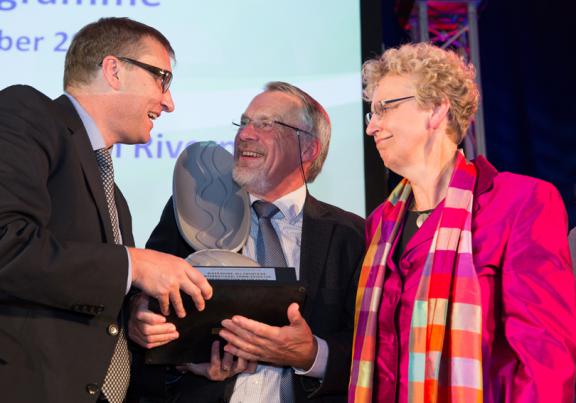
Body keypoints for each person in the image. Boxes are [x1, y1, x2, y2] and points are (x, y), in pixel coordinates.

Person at [0, 17, 212, 403]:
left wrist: (135, 324)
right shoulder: (23, 115)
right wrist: (135, 264)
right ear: (114, 70)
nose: (169, 101)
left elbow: (81, 296)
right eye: (162, 78)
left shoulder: (113, 198)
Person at [349, 42, 576, 403]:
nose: (372, 126)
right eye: (370, 114)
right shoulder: (381, 223)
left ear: (437, 109)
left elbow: (544, 362)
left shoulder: (520, 203)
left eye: (383, 109)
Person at [128, 82, 366, 402]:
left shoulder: (351, 236)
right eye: (244, 122)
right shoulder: (188, 216)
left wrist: (311, 355)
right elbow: (144, 304)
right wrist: (165, 343)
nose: (245, 134)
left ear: (308, 148)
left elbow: (374, 349)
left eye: (266, 124)